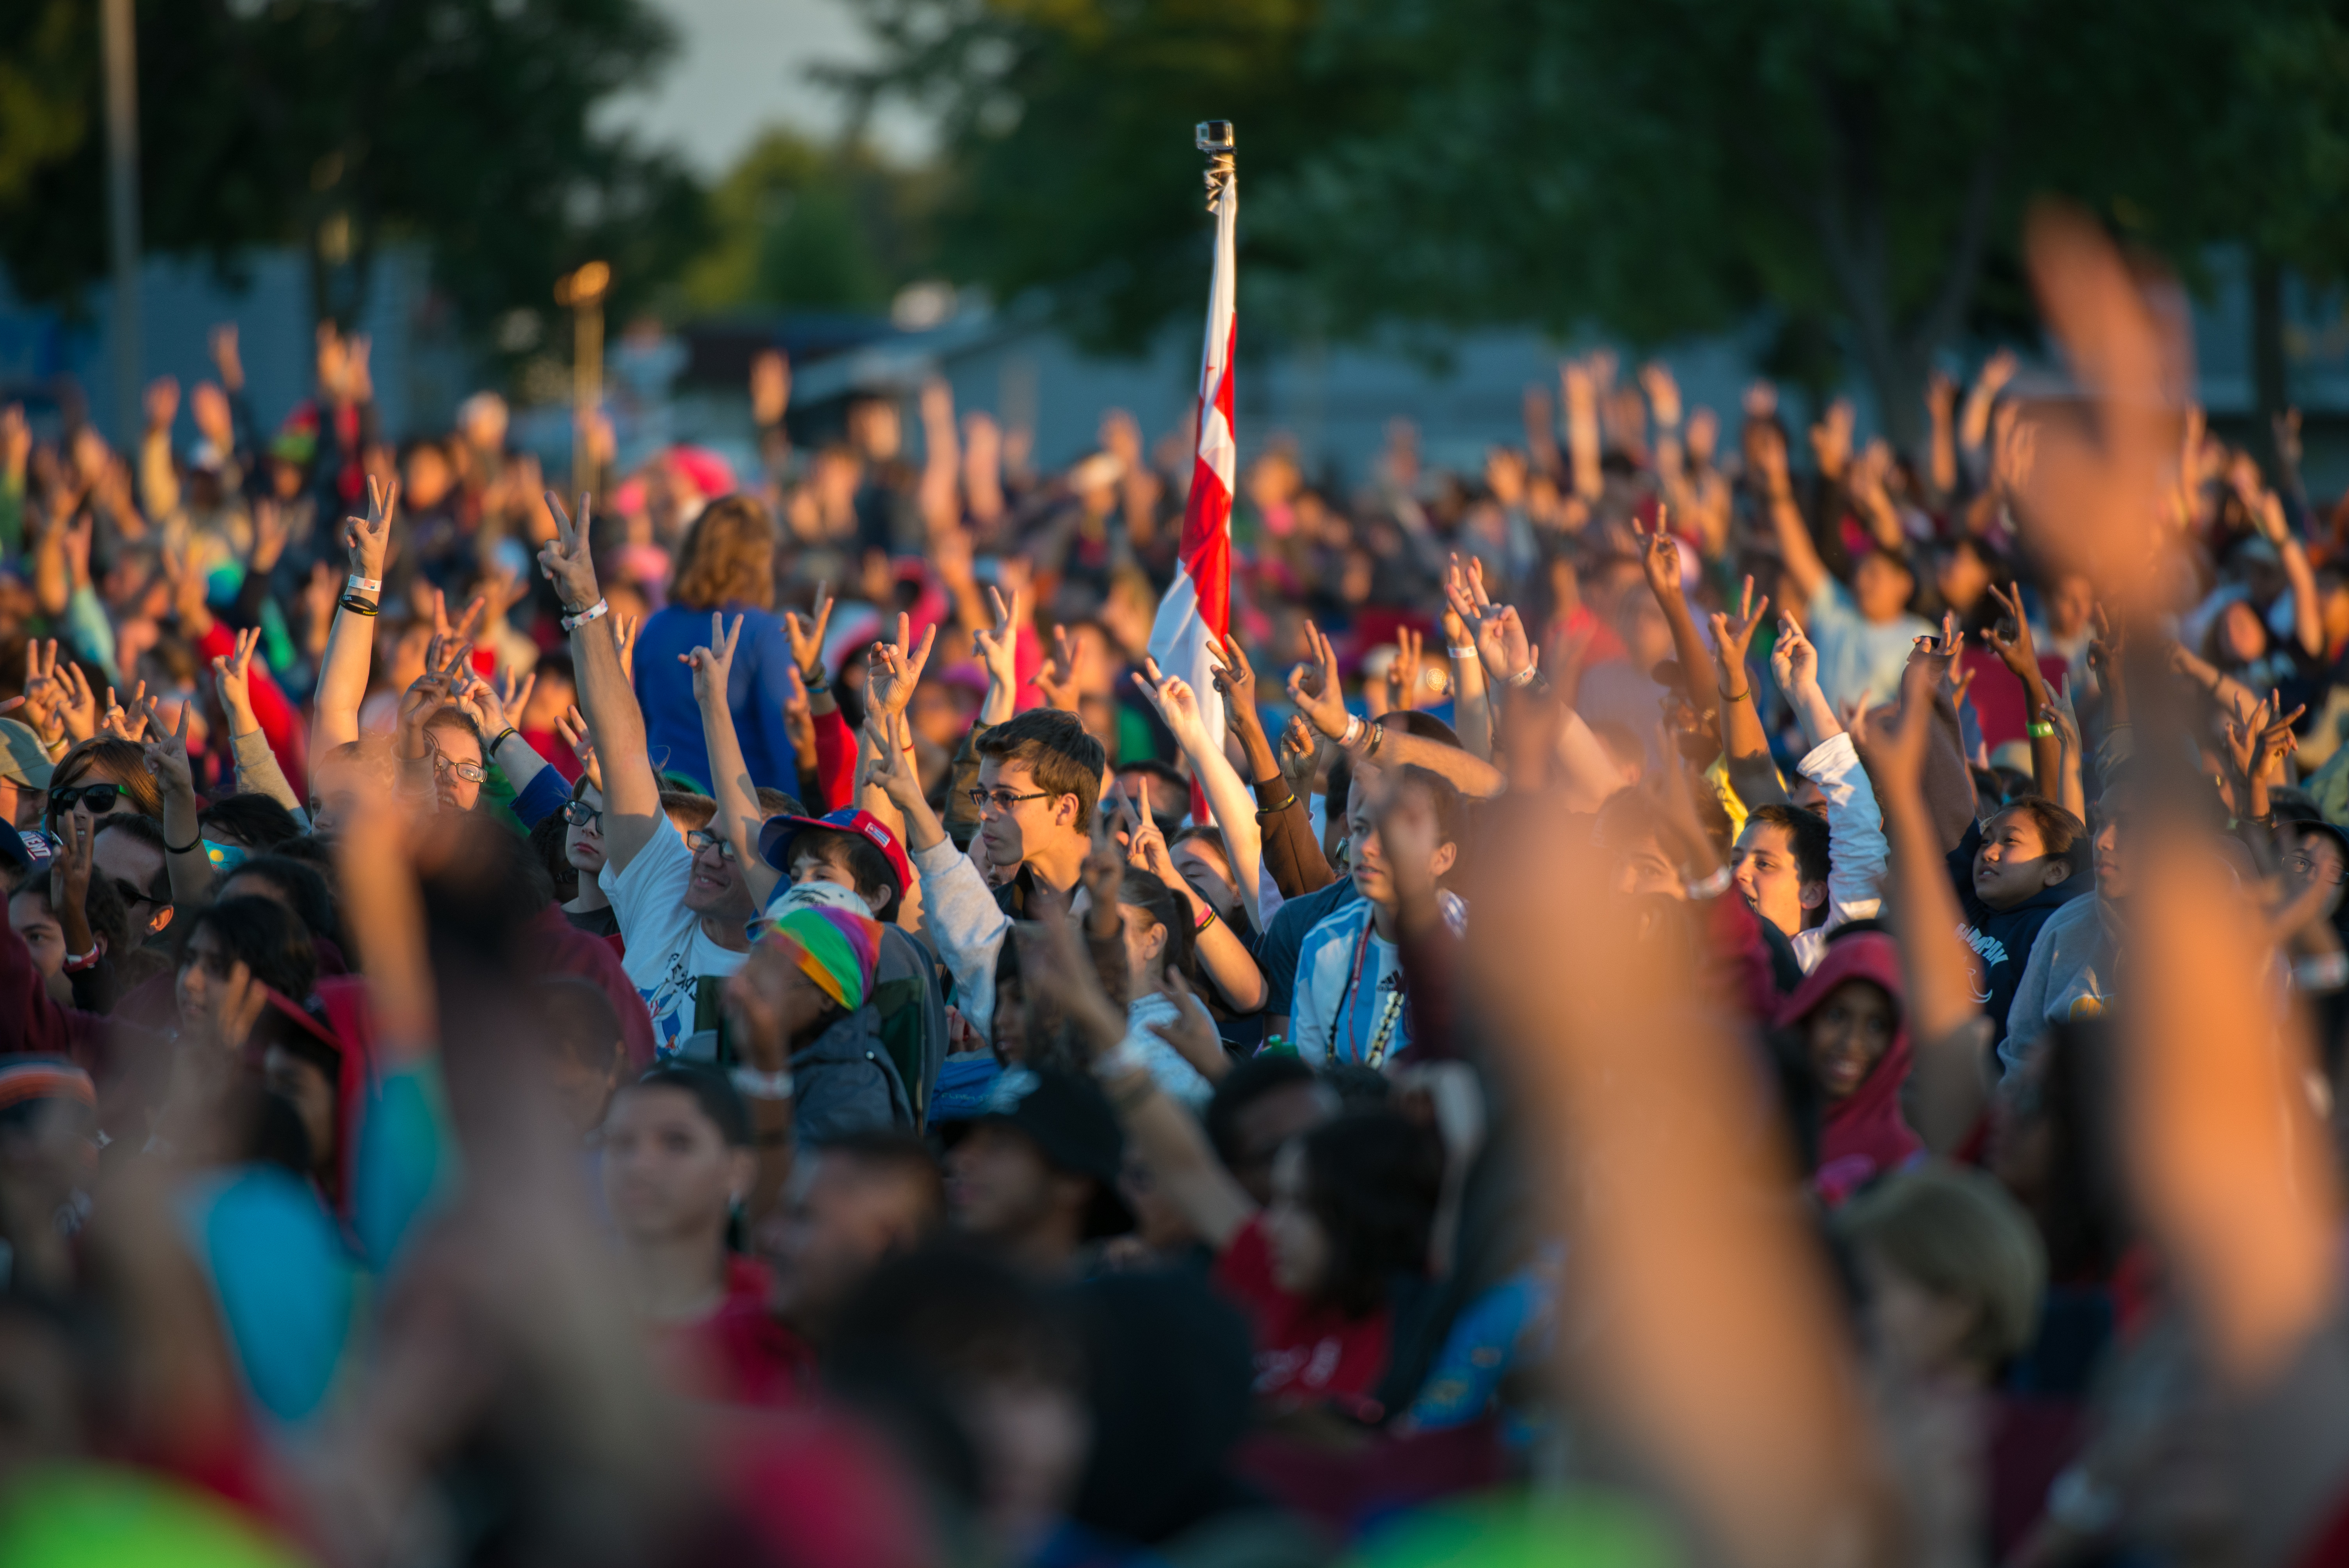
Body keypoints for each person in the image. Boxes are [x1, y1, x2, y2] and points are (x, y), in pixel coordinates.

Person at [539, 492, 761, 1055]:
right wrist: (587, 606)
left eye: (730, 849)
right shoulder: (667, 888)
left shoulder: (787, 959)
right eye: (705, 841)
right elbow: (625, 755)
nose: (705, 856)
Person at [601, 1062, 812, 1406]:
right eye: (621, 1144)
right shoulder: (554, 1310)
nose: (638, 1166)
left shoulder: (783, 1315)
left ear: (739, 1171)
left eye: (676, 1143)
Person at [1291, 766, 1464, 1068]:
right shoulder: (1323, 943)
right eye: (1361, 829)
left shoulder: (1476, 946)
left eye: (1392, 834)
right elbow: (1309, 1075)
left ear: (1443, 858)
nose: (1368, 848)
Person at [631, 495, 806, 793]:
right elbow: (785, 750)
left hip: (662, 807)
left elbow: (641, 725)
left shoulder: (655, 626)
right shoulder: (763, 634)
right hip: (735, 819)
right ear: (760, 560)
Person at [723, 903, 914, 1144]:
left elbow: (791, 1178)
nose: (748, 994)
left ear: (827, 997)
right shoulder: (730, 1050)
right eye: (751, 976)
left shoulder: (856, 1088)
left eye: (772, 980)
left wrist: (766, 1074)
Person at [756, 1128, 944, 1345]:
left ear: (891, 1246)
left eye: (803, 1217)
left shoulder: (954, 1370)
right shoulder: (727, 1345)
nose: (768, 1235)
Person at [1775, 931, 1923, 1205]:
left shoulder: (1899, 1163)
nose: (1851, 1043)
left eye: (1877, 1025)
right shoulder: (1760, 1108)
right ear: (1809, 1015)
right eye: (1836, 1015)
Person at [946, 1065, 1133, 1276]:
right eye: (965, 1140)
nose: (958, 1160)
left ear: (1074, 1180)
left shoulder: (1119, 1307)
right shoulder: (926, 1297)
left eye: (999, 1142)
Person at [1947, 795, 2091, 1059]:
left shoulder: (2049, 932)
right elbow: (1949, 804)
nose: (1988, 853)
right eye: (1985, 841)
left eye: (2010, 841)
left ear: (2056, 871)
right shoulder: (1969, 904)